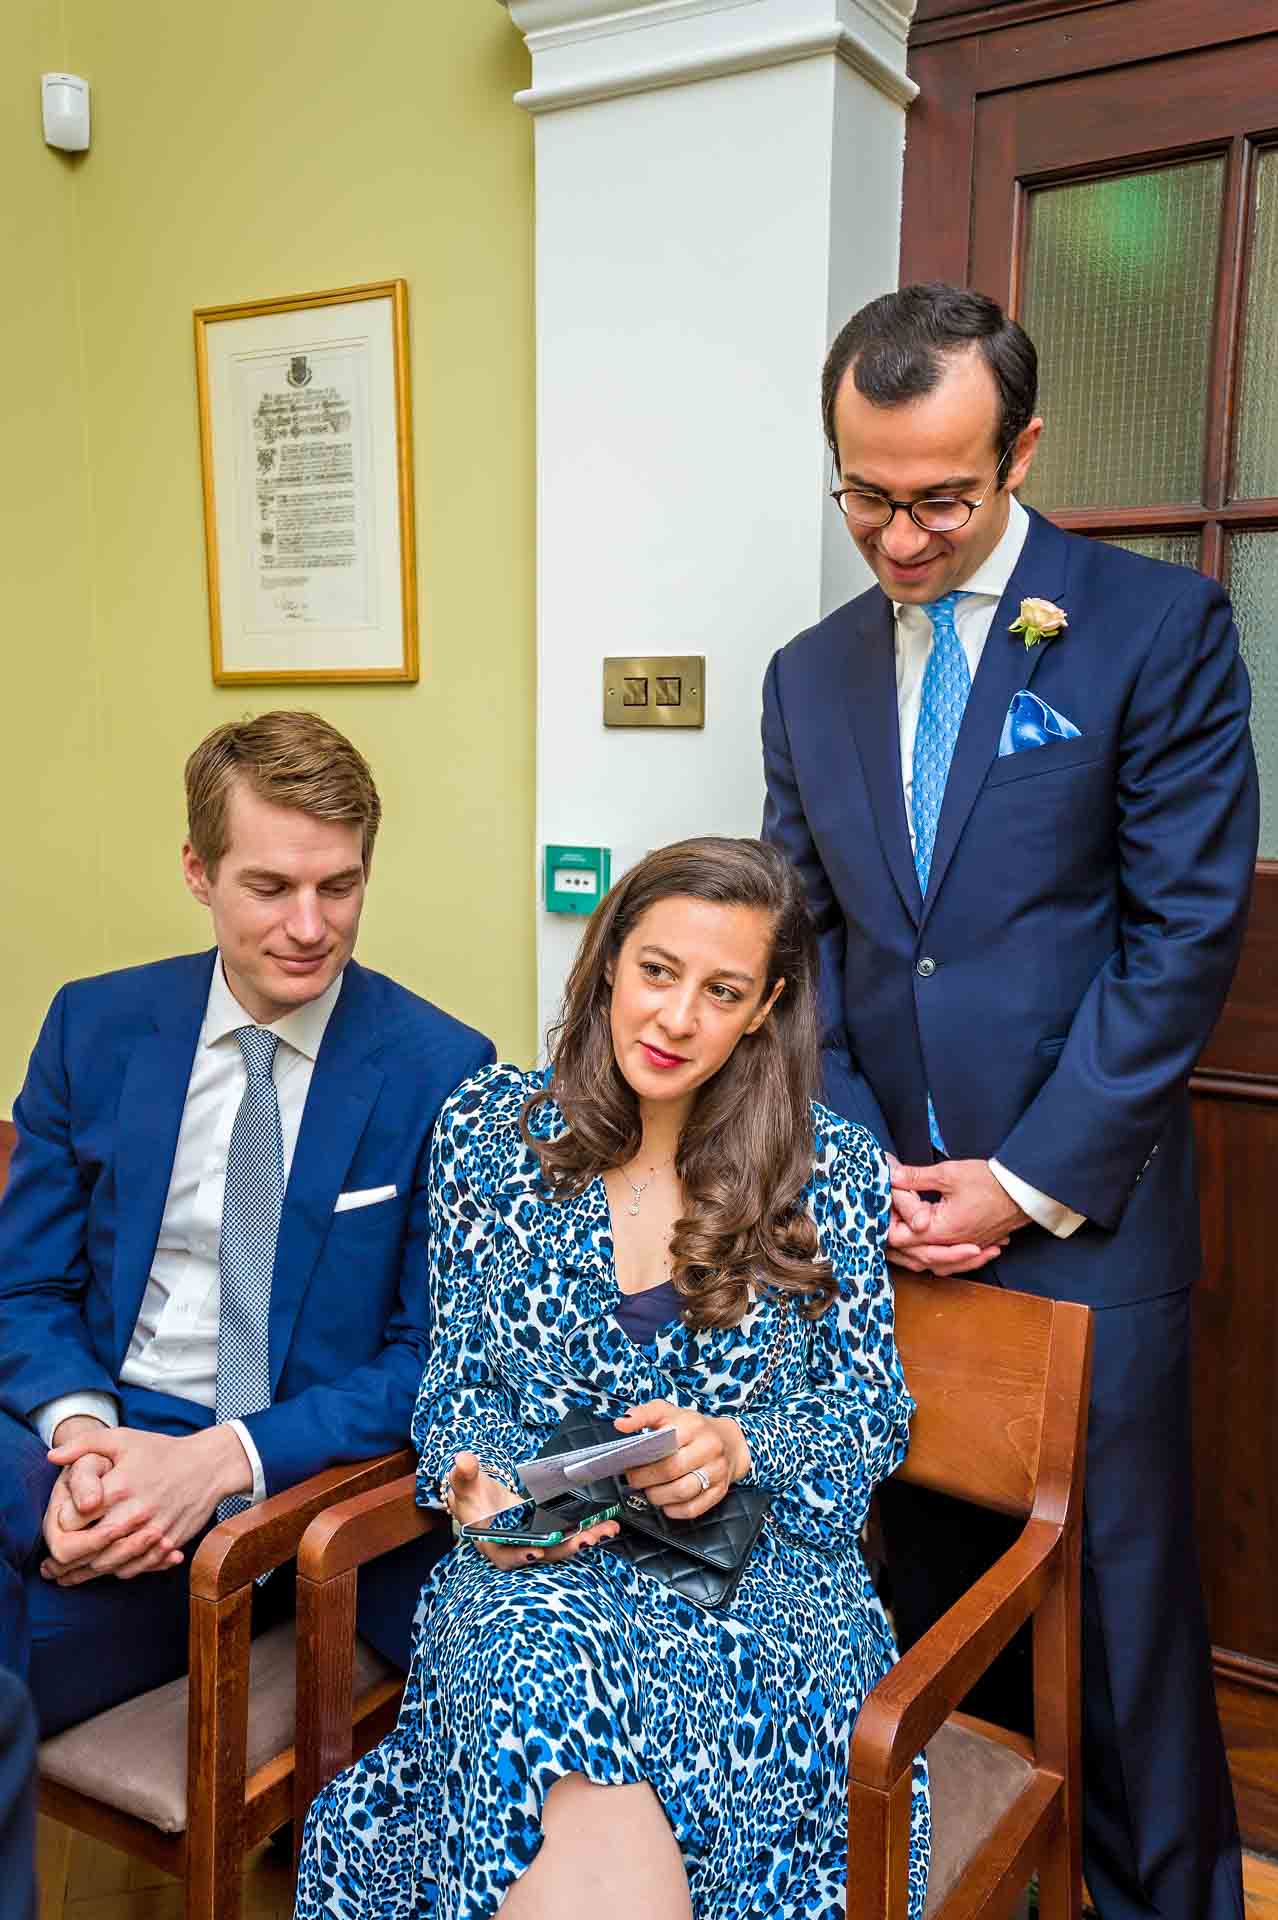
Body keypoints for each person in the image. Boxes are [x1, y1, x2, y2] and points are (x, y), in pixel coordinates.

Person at [761, 282, 1256, 1920]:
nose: (895, 540)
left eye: (935, 500)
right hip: (876, 1225)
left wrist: (1019, 1178)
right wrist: (854, 1166)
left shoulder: (1150, 626)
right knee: (916, 1600)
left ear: (1020, 451)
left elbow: (1178, 937)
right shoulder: (803, 674)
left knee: (1110, 1633)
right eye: (862, 495)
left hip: (1074, 1223)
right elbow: (803, 945)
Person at [294, 837, 928, 1920]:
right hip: (543, 1567)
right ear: (607, 963)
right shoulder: (492, 1135)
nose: (676, 1018)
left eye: (720, 991)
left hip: (756, 1594)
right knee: (526, 1648)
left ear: (765, 1007)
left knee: (577, 1710)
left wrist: (741, 1445)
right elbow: (459, 1384)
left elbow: (869, 1415)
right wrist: (471, 1484)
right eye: (657, 972)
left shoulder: (826, 1169)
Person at [0, 710, 494, 1733]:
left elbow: (428, 1361)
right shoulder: (92, 1027)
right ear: (198, 870)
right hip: (79, 1440)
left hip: (266, 1483)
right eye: (270, 888)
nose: (309, 928)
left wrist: (218, 1462)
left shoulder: (442, 1071)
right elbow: (26, 1287)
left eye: (340, 887)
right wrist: (84, 1449)